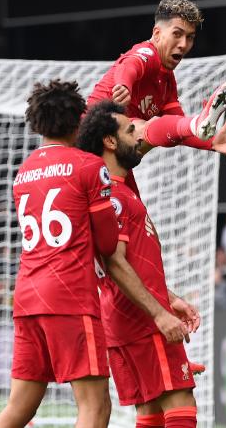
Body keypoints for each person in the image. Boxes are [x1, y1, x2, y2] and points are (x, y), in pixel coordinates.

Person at [0, 81, 185, 428]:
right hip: (69, 298)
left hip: (26, 297)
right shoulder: (87, 166)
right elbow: (109, 247)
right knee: (94, 409)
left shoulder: (23, 174)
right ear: (77, 120)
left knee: (18, 410)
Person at [77, 101, 203, 428]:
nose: (139, 136)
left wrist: (169, 296)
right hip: (142, 321)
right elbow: (115, 263)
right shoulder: (115, 198)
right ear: (110, 142)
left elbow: (127, 262)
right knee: (180, 400)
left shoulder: (113, 195)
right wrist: (160, 313)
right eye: (130, 130)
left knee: (150, 410)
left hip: (124, 320)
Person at [87, 0, 226, 183]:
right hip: (87, 145)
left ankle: (198, 123)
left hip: (113, 161)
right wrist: (123, 85)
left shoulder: (168, 84)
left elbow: (178, 130)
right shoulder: (148, 53)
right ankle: (197, 122)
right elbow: (129, 65)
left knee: (138, 213)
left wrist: (212, 143)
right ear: (157, 33)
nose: (184, 44)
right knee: (142, 128)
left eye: (190, 37)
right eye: (177, 34)